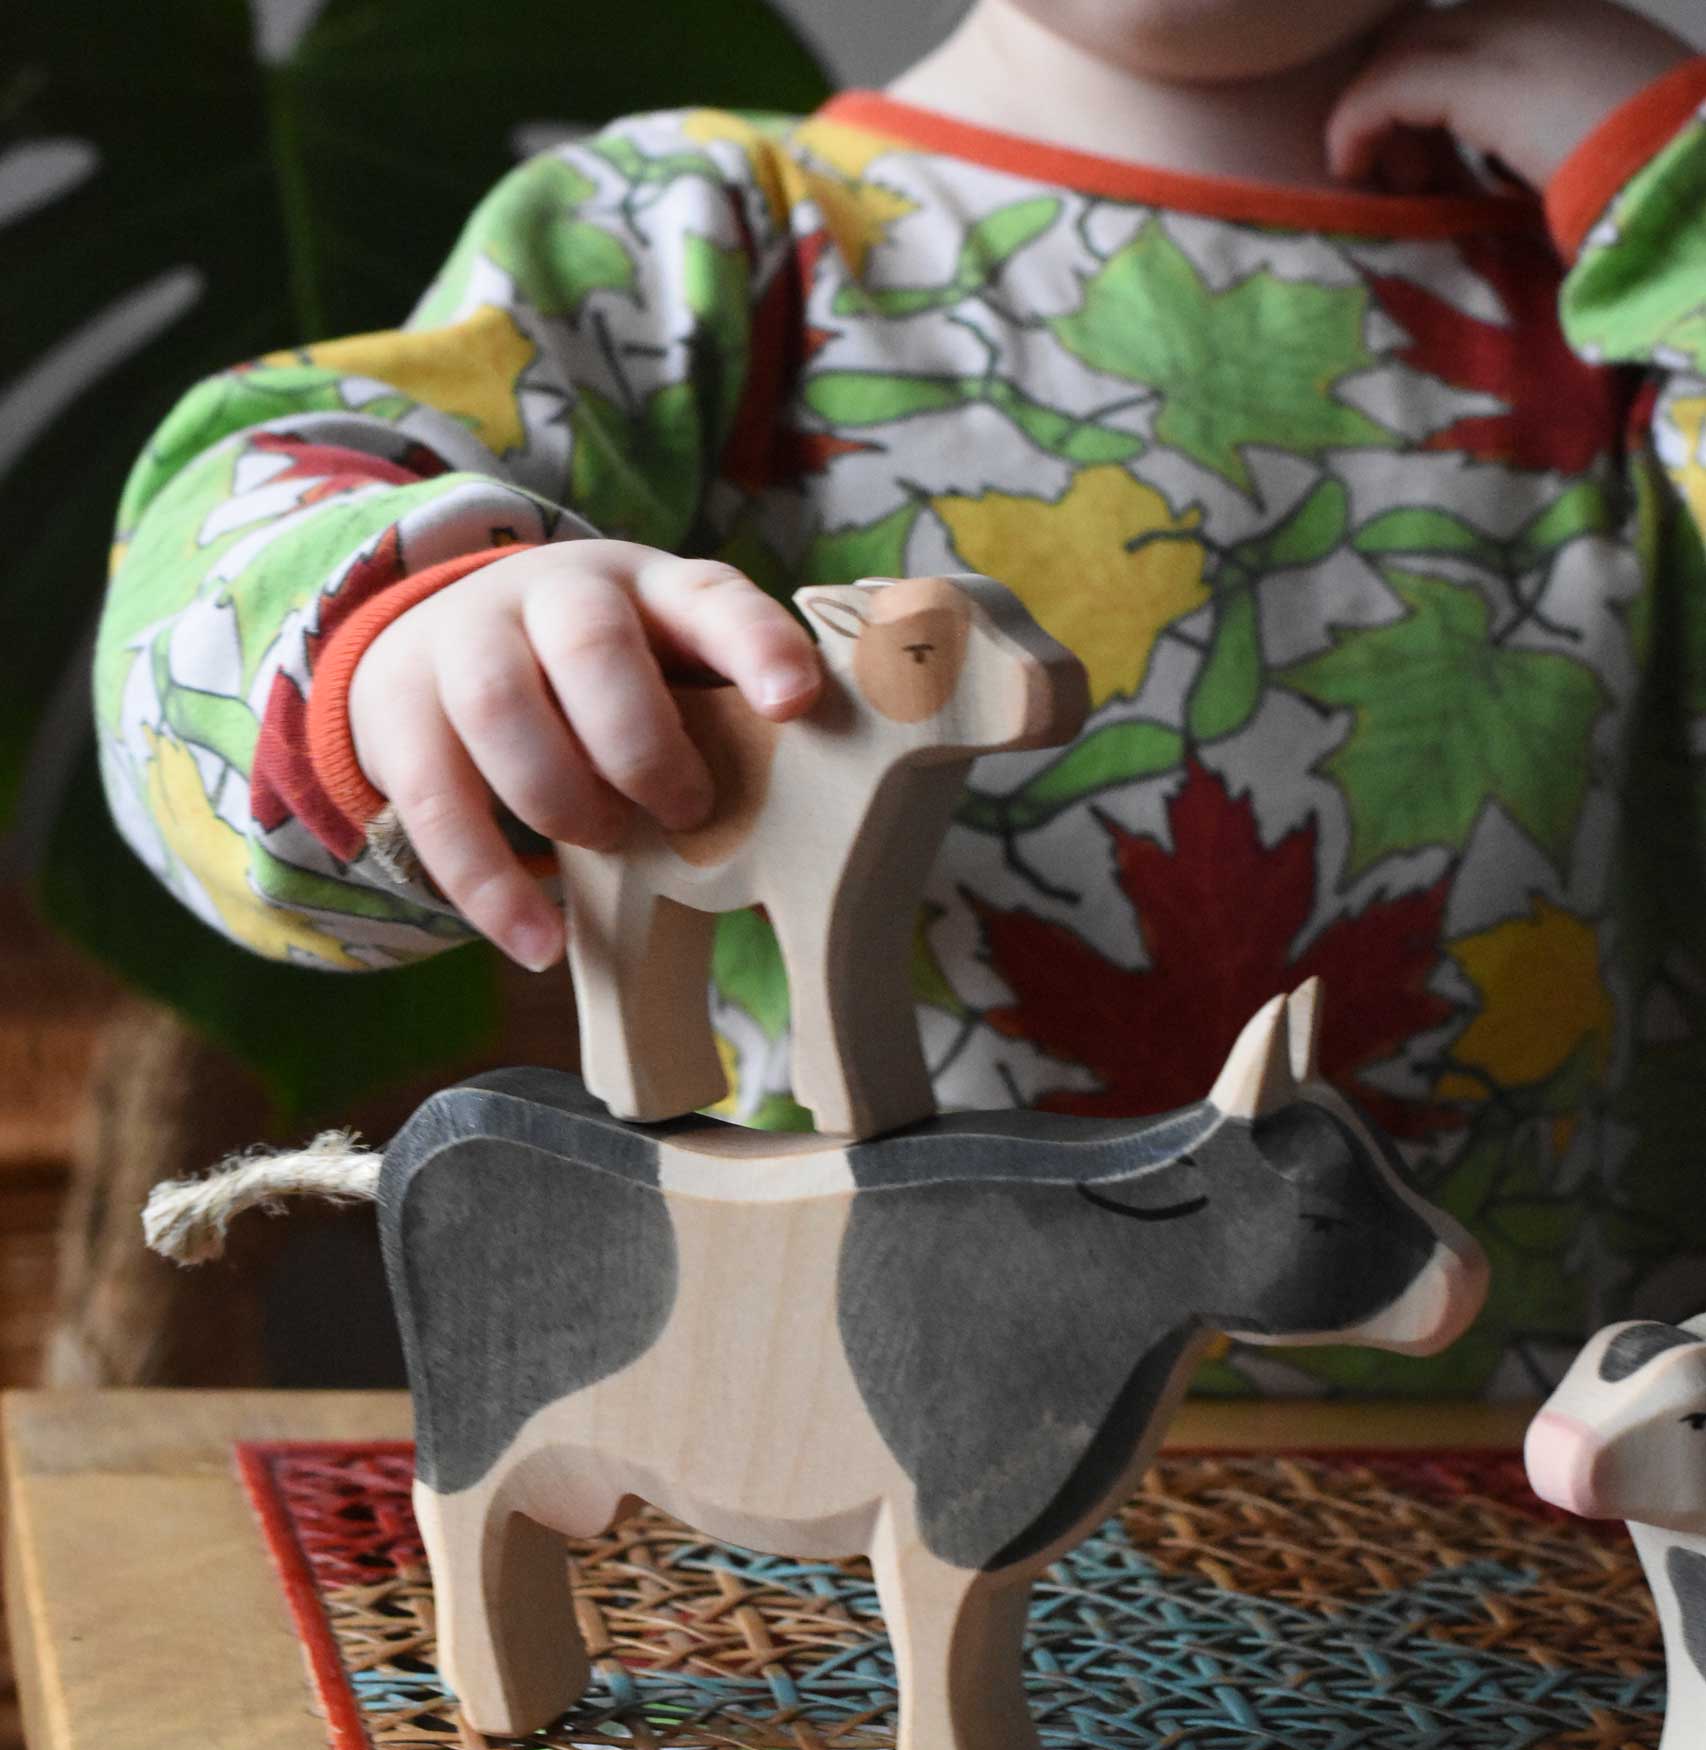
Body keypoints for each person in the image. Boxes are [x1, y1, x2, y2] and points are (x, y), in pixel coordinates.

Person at [96, 0, 1706, 1395]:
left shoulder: (1629, 294)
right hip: (830, 1479)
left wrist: (1679, 193)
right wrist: (404, 649)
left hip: (1544, 1510)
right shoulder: (695, 241)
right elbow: (234, 551)